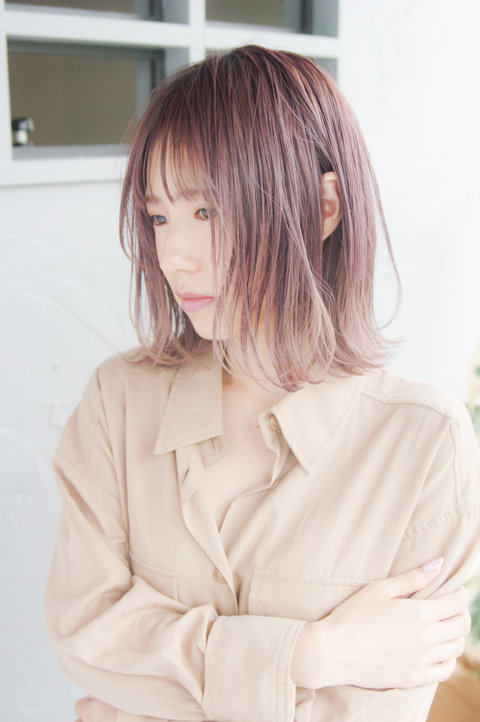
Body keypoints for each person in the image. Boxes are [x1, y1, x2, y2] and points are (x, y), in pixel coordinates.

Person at [45, 45, 479, 722]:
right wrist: (311, 655)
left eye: (207, 212)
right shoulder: (118, 402)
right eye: (159, 217)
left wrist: (143, 689)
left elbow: (378, 709)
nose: (174, 255)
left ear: (323, 207)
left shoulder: (426, 445)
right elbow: (83, 634)